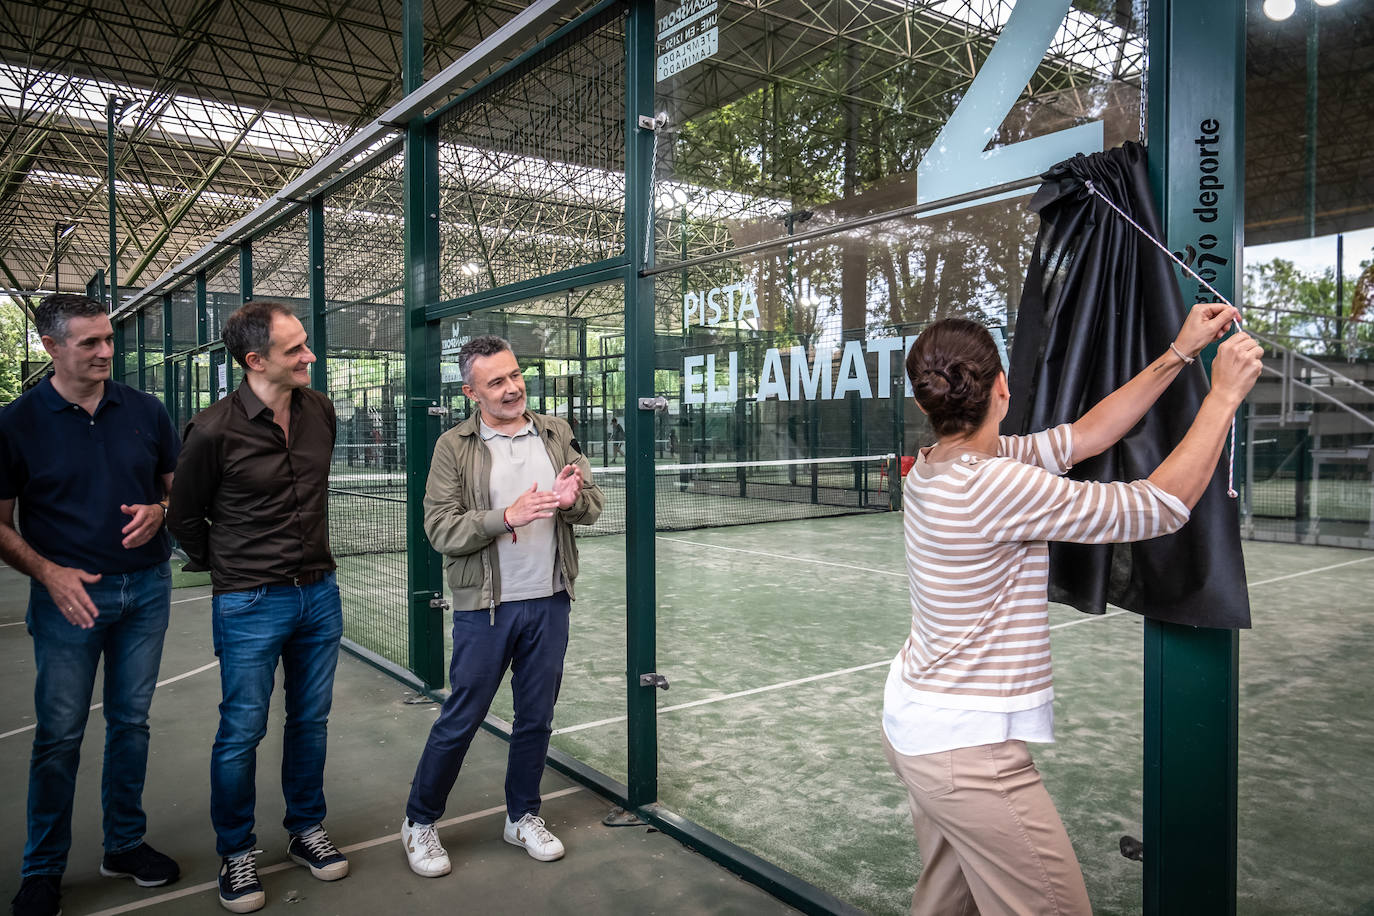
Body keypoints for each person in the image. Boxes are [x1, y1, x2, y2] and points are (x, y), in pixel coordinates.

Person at [884, 305, 1261, 915]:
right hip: (967, 752)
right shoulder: (996, 484)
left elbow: (1086, 436)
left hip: (917, 730)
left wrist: (1180, 353)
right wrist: (1222, 397)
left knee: (946, 906)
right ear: (1002, 388)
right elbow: (1159, 507)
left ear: (929, 403)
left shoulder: (935, 469)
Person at [0, 294, 181, 916]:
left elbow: (172, 489)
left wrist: (162, 513)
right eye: (90, 343)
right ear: (51, 346)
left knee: (131, 724)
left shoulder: (146, 411)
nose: (106, 352)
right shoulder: (16, 422)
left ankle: (123, 844)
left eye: (108, 340)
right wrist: (50, 574)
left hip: (147, 592)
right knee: (59, 735)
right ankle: (42, 868)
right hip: (67, 603)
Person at [167, 300, 347, 914]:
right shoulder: (212, 430)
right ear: (255, 361)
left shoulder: (320, 410)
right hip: (249, 601)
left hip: (319, 594)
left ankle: (305, 829)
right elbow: (185, 519)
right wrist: (233, 570)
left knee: (311, 720)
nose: (309, 356)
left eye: (306, 344)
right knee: (242, 729)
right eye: (295, 349)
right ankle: (236, 851)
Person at [400, 335, 603, 879]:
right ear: (471, 392)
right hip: (484, 607)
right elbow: (440, 526)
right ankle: (419, 821)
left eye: (515, 375)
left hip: (550, 599)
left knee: (535, 719)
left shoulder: (556, 432)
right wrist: (504, 517)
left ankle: (523, 816)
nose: (512, 388)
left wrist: (572, 501)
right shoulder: (453, 445)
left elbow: (592, 504)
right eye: (496, 382)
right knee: (461, 718)